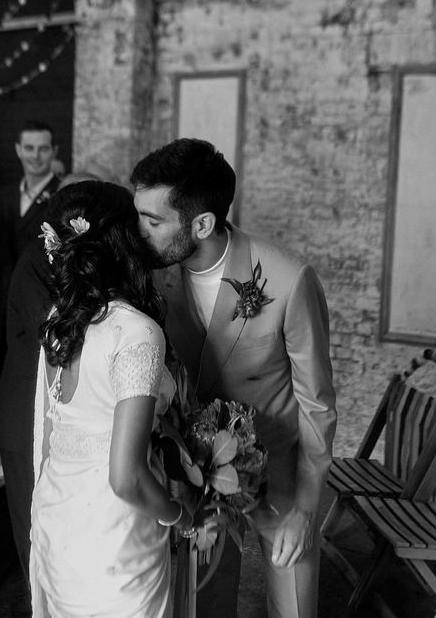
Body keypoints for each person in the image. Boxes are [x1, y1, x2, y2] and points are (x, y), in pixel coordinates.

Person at [131, 138, 337, 618]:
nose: (138, 232)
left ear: (202, 223)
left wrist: (307, 509)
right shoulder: (152, 277)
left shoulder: (289, 280)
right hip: (188, 483)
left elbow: (318, 405)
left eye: (153, 220)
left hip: (281, 480)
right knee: (198, 606)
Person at [29, 180, 190, 617]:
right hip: (115, 539)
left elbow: (47, 434)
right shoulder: (136, 332)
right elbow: (126, 477)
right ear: (124, 242)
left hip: (57, 519)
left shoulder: (58, 319)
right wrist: (178, 515)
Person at [0, 172, 101, 587]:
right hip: (26, 419)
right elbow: (61, 338)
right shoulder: (40, 259)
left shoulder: (75, 257)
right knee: (37, 541)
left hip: (59, 417)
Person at [0, 121, 60, 268]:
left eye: (43, 149)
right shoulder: (4, 196)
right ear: (18, 150)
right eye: (29, 148)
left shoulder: (62, 195)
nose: (36, 156)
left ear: (54, 151)